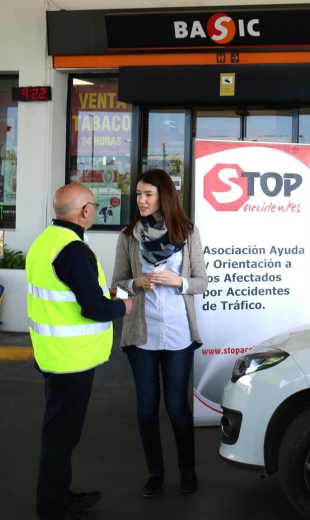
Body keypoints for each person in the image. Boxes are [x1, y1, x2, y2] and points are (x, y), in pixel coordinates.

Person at [28, 184, 133, 520]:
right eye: (94, 205)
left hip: (53, 355)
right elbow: (94, 308)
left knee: (59, 433)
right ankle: (53, 509)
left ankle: (59, 496)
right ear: (86, 211)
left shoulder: (46, 241)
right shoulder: (74, 249)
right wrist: (123, 305)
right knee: (61, 438)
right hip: (71, 360)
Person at [111, 168, 208, 498]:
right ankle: (155, 472)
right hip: (142, 333)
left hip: (178, 332)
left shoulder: (188, 233)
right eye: (138, 194)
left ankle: (187, 470)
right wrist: (134, 284)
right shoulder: (129, 237)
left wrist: (178, 281)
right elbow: (115, 287)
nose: (140, 200)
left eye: (147, 194)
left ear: (163, 196)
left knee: (178, 407)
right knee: (146, 407)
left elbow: (203, 283)